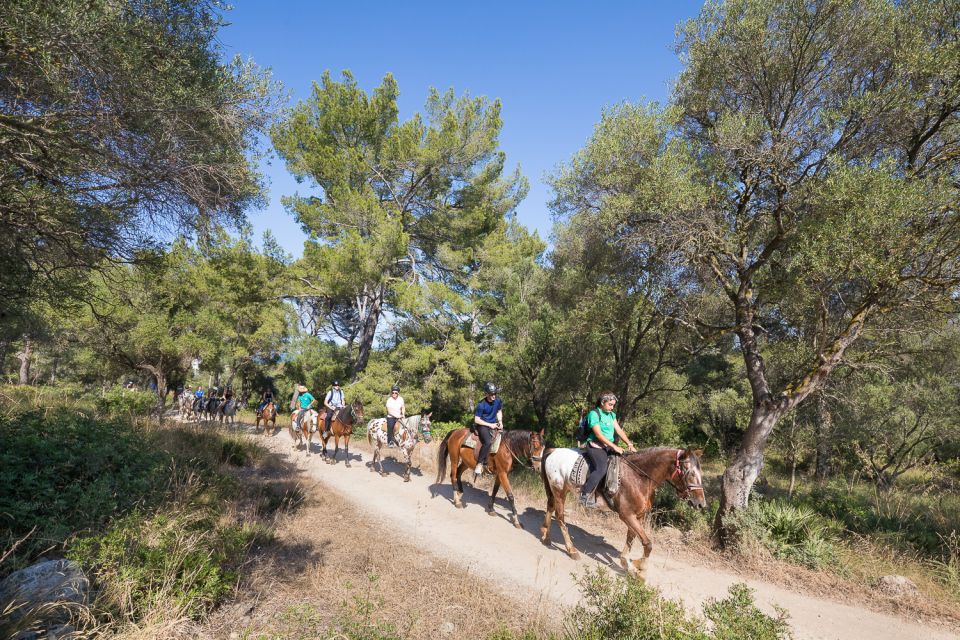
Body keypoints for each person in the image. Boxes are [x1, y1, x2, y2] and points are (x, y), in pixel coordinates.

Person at [579, 391, 637, 509]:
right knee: (601, 469)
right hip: (595, 445)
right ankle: (584, 495)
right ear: (602, 402)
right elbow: (599, 435)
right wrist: (614, 447)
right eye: (610, 404)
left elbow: (619, 431)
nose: (612, 407)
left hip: (607, 446)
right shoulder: (594, 414)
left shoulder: (611, 415)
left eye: (613, 405)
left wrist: (629, 444)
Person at [473, 382, 503, 480]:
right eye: (491, 394)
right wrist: (490, 424)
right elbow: (476, 420)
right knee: (487, 442)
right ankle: (479, 464)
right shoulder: (481, 404)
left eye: (495, 393)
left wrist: (500, 421)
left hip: (494, 424)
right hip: (483, 425)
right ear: (486, 394)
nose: (494, 396)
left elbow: (499, 411)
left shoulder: (498, 401)